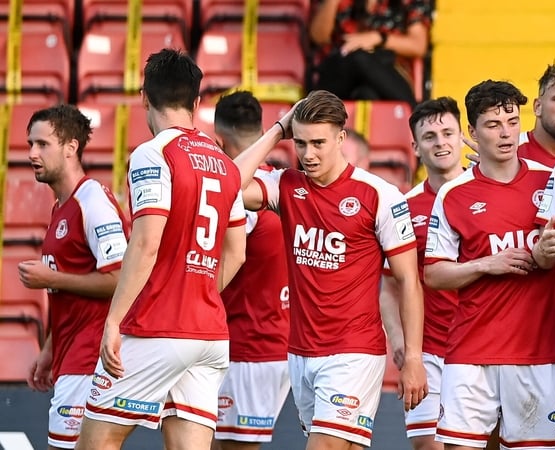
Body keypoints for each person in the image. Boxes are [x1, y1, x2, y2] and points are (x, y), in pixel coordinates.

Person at [233, 89, 427, 450]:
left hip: (354, 351)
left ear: (341, 137)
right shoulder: (286, 186)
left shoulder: (379, 196)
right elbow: (227, 185)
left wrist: (413, 357)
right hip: (301, 351)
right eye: (301, 143)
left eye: (319, 142)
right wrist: (278, 129)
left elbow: (408, 282)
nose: (308, 154)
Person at [76, 49, 247, 450]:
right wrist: (198, 292)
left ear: (143, 98)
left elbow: (147, 241)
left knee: (94, 444)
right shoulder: (225, 162)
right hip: (209, 333)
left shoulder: (152, 153)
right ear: (196, 102)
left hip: (157, 326)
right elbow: (236, 251)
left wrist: (114, 319)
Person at [424, 80, 555, 450]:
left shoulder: (551, 181)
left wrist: (543, 257)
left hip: (541, 352)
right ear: (472, 132)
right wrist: (485, 265)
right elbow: (434, 274)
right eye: (493, 124)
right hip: (471, 352)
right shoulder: (453, 194)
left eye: (511, 120)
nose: (506, 132)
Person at [19, 105, 128, 450]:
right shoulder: (61, 207)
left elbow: (119, 279)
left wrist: (51, 277)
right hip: (71, 356)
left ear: (71, 147)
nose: (32, 154)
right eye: (30, 144)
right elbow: (68, 287)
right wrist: (50, 348)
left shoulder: (92, 201)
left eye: (42, 144)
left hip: (91, 358)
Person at [379, 97, 463, 450]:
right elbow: (388, 285)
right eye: (429, 136)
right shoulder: (404, 207)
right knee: (427, 446)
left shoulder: (488, 192)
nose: (440, 142)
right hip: (429, 351)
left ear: (462, 137)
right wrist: (399, 343)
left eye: (447, 133)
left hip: (484, 349)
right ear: (414, 146)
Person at [211, 91, 291, 450]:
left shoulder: (241, 195)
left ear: (218, 141)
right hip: (272, 341)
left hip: (246, 348)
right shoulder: (281, 184)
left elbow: (232, 256)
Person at [309, 0, 432, 105]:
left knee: (366, 92)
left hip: (387, 71)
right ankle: (414, 114)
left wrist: (378, 38)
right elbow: (319, 38)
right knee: (357, 58)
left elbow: (418, 45)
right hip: (342, 71)